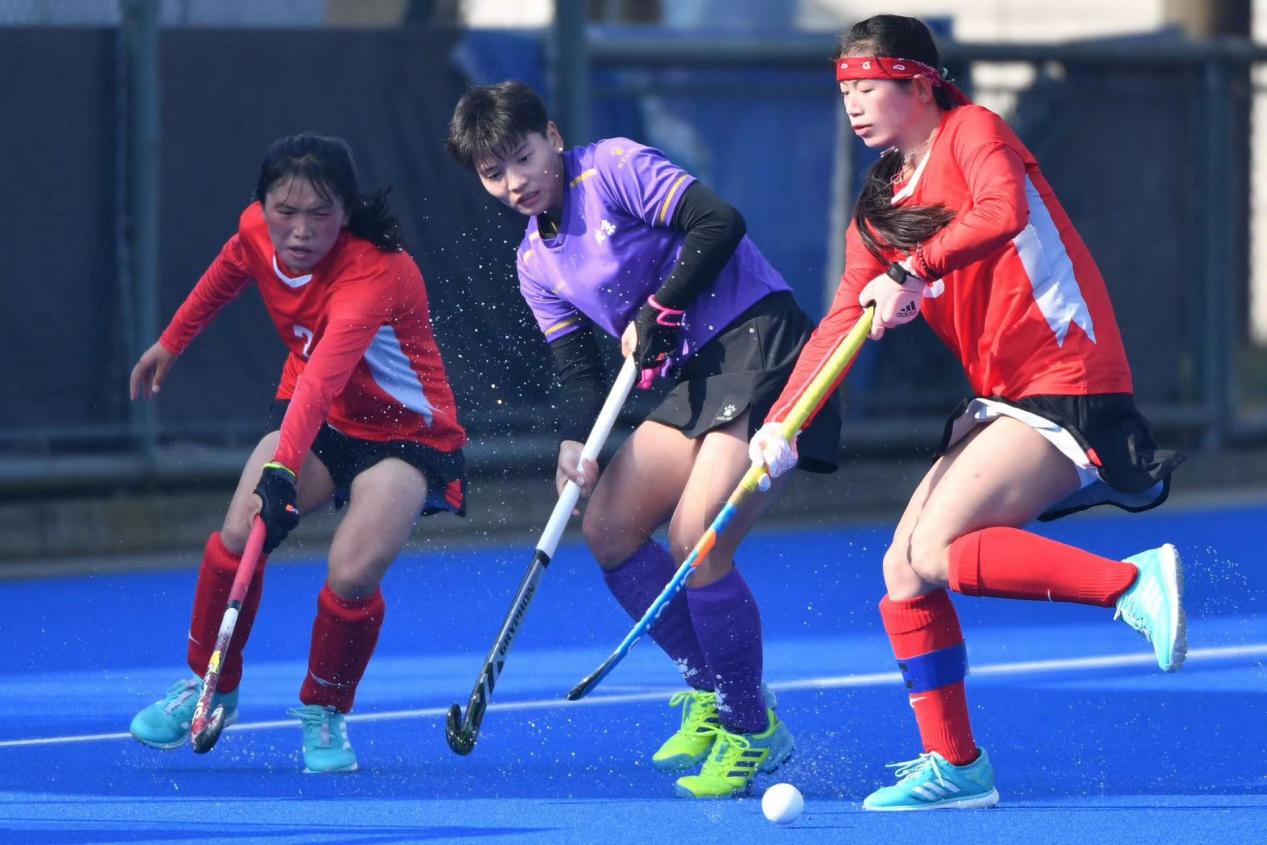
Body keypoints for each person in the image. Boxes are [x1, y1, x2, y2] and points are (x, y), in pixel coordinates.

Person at [750, 14, 1186, 811]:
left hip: (1067, 371)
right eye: (844, 91)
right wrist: (782, 422)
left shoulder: (972, 131)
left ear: (919, 85)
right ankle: (956, 766)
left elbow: (1001, 210)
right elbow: (843, 319)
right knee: (902, 569)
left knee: (937, 548)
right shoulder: (879, 207)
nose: (853, 105)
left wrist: (912, 270)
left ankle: (1129, 582)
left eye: (868, 87)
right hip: (1005, 395)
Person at [447, 81, 843, 799]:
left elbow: (718, 222)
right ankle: (713, 690)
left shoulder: (613, 167)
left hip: (760, 341)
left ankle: (751, 729)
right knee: (608, 527)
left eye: (522, 157)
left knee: (698, 538)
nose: (514, 182)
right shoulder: (535, 264)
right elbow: (577, 369)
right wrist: (573, 442)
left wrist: (662, 305)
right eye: (492, 173)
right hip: (693, 375)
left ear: (552, 136)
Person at [127, 132, 467, 773]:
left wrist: (282, 469)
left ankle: (325, 711)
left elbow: (324, 377)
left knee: (352, 571)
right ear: (263, 206)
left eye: (321, 213)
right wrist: (172, 341)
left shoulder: (376, 273)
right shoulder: (256, 230)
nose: (302, 230)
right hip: (323, 416)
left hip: (405, 434)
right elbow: (230, 267)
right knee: (239, 530)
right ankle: (209, 686)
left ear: (347, 211)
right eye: (286, 211)